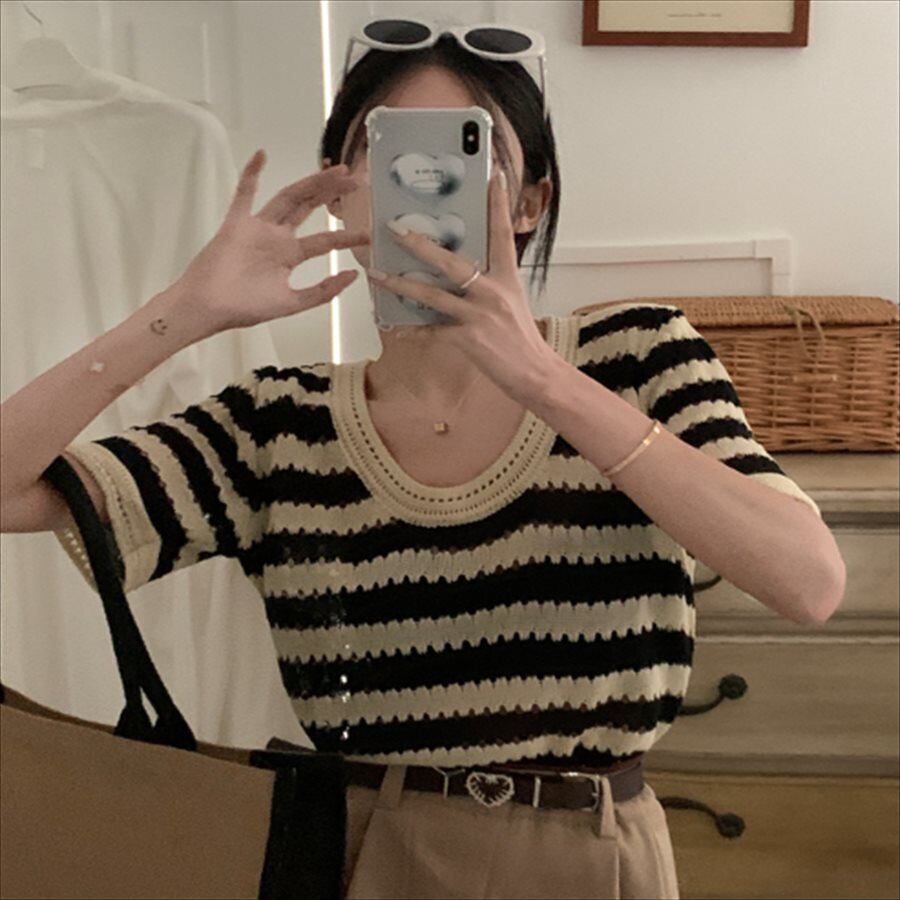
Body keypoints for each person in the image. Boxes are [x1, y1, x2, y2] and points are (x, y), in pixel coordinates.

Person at [0, 27, 843, 900]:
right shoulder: (274, 426)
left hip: (593, 856)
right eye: (392, 150)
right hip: (361, 855)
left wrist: (546, 383)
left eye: (469, 151)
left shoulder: (638, 356)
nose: (428, 180)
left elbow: (809, 581)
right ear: (340, 193)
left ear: (530, 201)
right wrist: (184, 310)